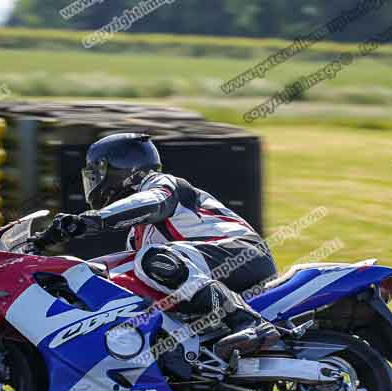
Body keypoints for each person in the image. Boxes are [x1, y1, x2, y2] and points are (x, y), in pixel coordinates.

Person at [36, 133, 281, 357]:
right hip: (209, 269)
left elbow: (151, 202)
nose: (93, 183)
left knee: (151, 258)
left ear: (122, 170)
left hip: (245, 254)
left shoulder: (163, 185)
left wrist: (91, 221)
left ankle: (248, 322)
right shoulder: (137, 234)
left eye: (97, 174)